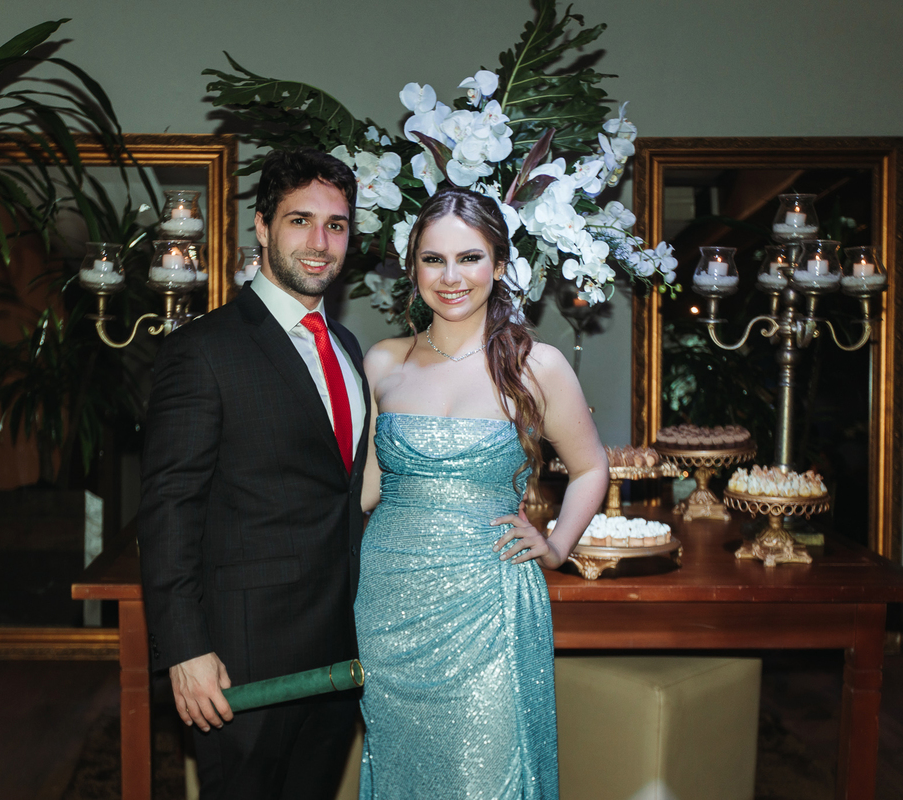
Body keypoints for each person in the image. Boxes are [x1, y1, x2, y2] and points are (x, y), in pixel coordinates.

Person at [355, 186, 609, 799]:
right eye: (433, 259)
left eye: (469, 258)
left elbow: (590, 468)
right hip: (389, 604)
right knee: (404, 774)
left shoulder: (537, 366)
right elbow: (362, 493)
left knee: (489, 775)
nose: (451, 277)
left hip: (489, 604)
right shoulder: (383, 363)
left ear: (498, 266)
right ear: (412, 268)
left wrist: (556, 547)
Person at [138, 148, 368, 800]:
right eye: (300, 221)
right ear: (262, 227)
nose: (320, 243)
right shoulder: (202, 350)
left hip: (339, 652)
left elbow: (345, 494)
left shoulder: (347, 348)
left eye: (336, 225)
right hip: (243, 655)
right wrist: (185, 650)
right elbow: (169, 508)